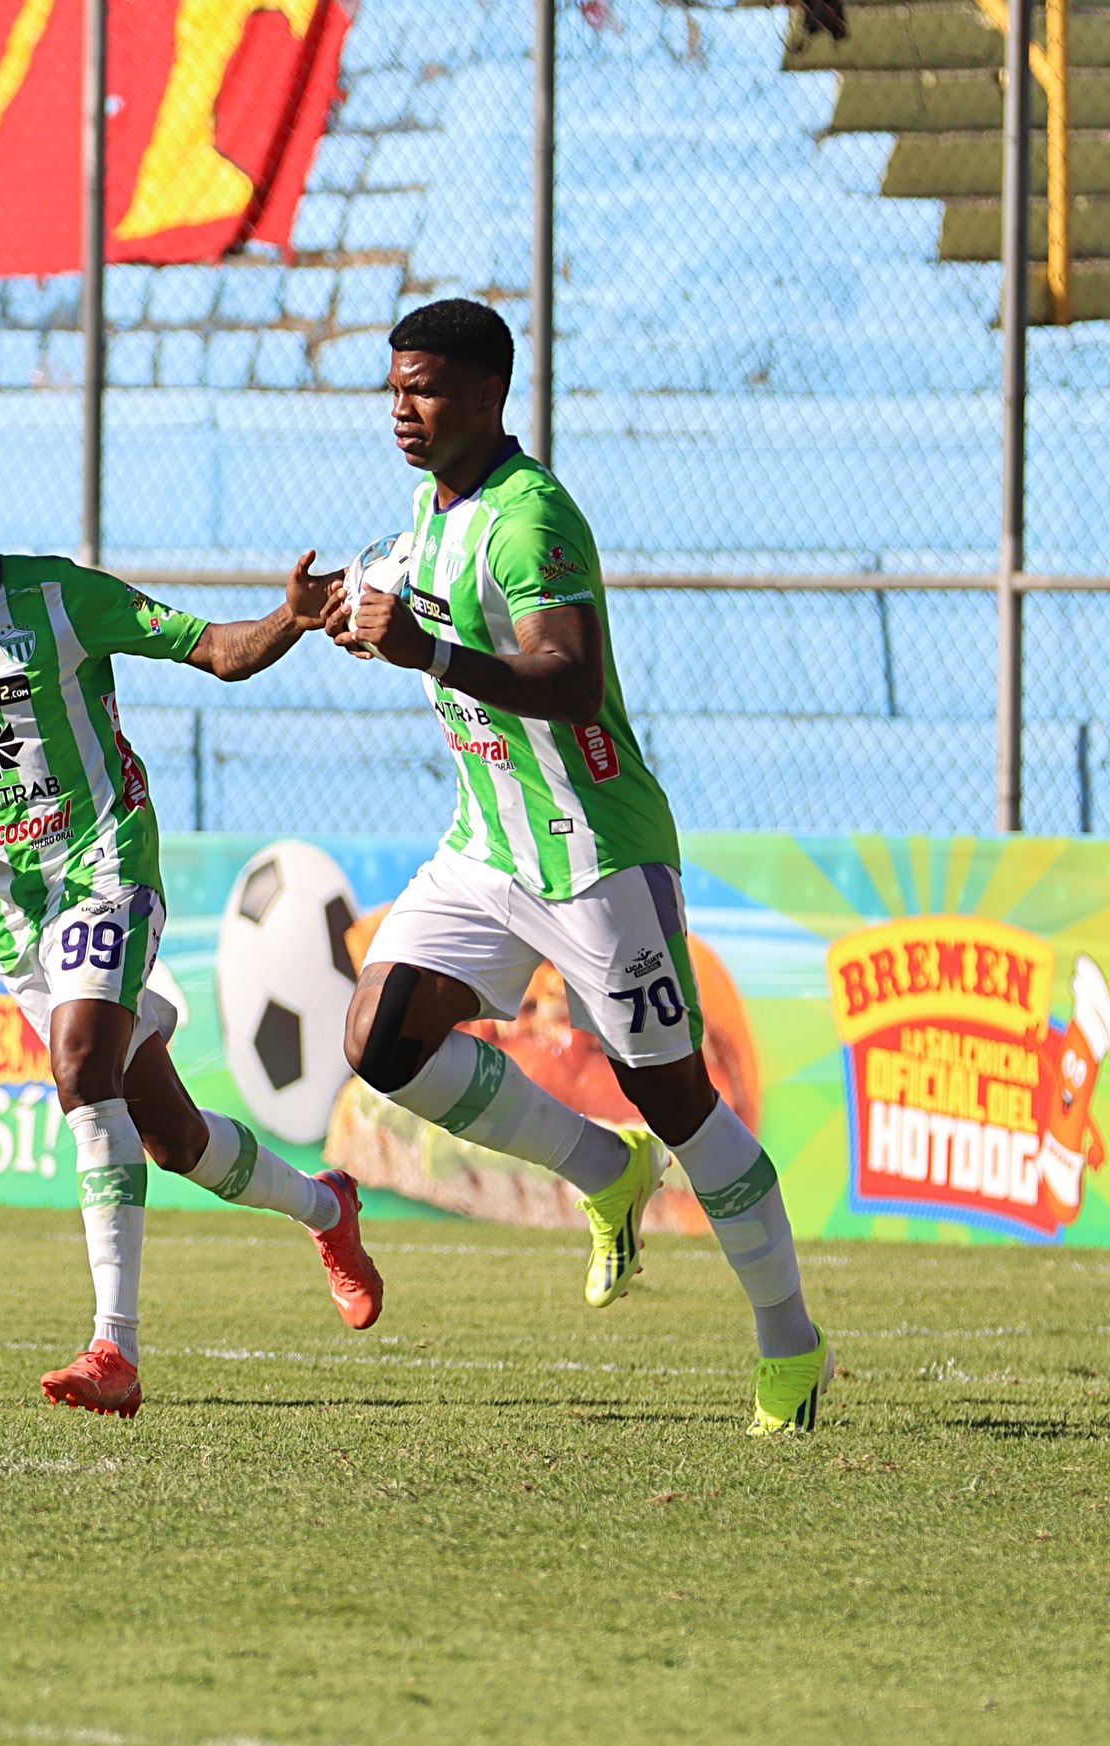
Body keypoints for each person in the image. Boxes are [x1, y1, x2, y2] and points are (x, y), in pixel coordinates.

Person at [326, 300, 831, 1435]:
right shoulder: (433, 508)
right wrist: (351, 616)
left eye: (426, 390)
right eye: (395, 388)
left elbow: (562, 675)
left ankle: (788, 1345)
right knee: (381, 1043)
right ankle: (601, 1171)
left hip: (592, 857)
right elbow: (420, 608)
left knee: (680, 1100)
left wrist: (425, 650)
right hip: (483, 848)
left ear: (488, 397)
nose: (402, 409)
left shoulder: (530, 514)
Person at [0, 446, 384, 1419]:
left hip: (104, 865)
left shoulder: (59, 600)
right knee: (171, 1138)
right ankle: (326, 1206)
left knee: (80, 1067)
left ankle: (113, 1351)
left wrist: (290, 621)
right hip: (10, 906)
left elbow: (216, 651)